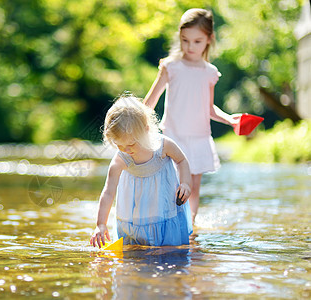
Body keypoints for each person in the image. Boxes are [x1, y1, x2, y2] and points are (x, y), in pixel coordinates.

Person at [143, 8, 241, 223]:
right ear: (180, 37)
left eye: (197, 41)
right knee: (168, 184)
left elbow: (209, 109)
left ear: (209, 39)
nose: (190, 47)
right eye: (185, 40)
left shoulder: (210, 72)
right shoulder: (171, 66)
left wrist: (230, 119)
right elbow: (149, 102)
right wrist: (136, 123)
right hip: (173, 137)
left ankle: (190, 227)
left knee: (193, 188)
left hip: (198, 138)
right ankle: (164, 223)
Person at [90, 94, 193, 248]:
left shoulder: (163, 146)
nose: (126, 149)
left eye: (131, 143)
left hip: (165, 207)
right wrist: (100, 224)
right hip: (136, 217)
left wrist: (185, 183)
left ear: (146, 130)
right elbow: (108, 192)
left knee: (171, 251)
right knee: (135, 253)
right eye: (119, 145)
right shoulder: (121, 159)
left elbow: (182, 160)